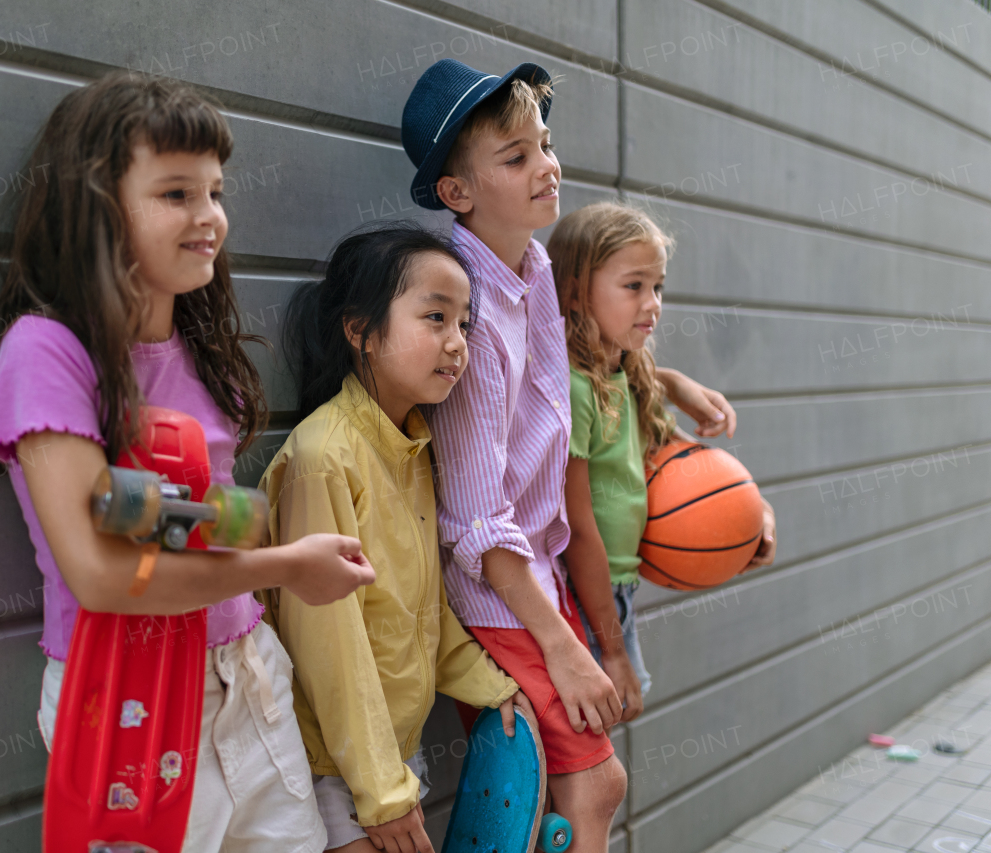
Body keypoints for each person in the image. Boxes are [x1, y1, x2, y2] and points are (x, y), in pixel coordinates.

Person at [0, 72, 374, 853]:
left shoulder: (199, 348)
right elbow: (101, 573)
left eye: (215, 192)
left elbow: (201, 518)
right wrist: (281, 562)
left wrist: (206, 520)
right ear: (96, 206)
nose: (209, 218)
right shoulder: (47, 353)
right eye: (176, 193)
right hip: (130, 696)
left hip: (248, 674)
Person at [400, 58, 744, 853]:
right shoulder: (469, 312)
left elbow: (594, 381)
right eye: (515, 156)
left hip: (541, 578)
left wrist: (679, 386)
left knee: (559, 794)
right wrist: (565, 641)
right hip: (496, 593)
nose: (547, 165)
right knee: (596, 781)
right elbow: (476, 522)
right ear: (457, 192)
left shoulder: (535, 269)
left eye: (545, 145)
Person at [260, 222, 530, 853]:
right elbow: (330, 642)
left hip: (392, 760)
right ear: (360, 332)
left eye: (463, 324)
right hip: (333, 768)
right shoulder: (323, 457)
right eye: (435, 317)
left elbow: (424, 614)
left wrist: (498, 689)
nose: (457, 343)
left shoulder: (414, 448)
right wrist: (379, 793)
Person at [546, 201, 777, 719]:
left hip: (616, 592)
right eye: (633, 286)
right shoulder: (577, 390)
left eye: (658, 287)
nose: (652, 304)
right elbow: (578, 531)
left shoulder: (625, 379)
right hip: (585, 597)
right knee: (588, 753)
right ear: (576, 291)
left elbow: (690, 469)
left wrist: (752, 515)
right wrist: (610, 649)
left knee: (603, 738)